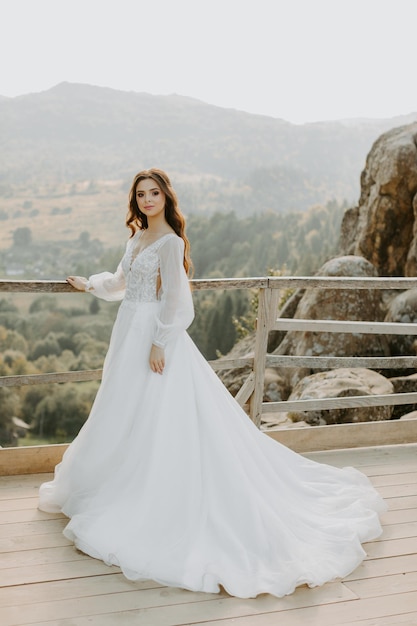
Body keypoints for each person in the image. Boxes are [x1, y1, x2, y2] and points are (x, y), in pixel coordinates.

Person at [39, 168, 386, 599]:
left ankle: (156, 492)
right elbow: (120, 283)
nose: (147, 200)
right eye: (141, 194)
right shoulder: (137, 237)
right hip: (128, 333)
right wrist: (88, 283)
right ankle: (117, 480)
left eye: (154, 193)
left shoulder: (170, 242)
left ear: (166, 197)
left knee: (161, 414)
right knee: (123, 408)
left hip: (153, 336)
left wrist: (160, 341)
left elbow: (177, 301)